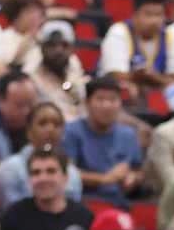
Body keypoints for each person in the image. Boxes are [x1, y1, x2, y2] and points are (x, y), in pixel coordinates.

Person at [0, 147, 93, 230]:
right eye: (36, 173)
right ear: (29, 179)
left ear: (65, 177)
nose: (43, 178)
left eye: (51, 171)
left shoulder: (84, 215)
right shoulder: (15, 214)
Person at [61, 76, 144, 206]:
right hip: (83, 202)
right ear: (87, 104)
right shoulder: (71, 132)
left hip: (120, 203)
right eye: (100, 99)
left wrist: (132, 177)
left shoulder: (129, 135)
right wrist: (105, 179)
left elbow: (140, 171)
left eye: (113, 99)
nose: (107, 106)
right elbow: (65, 172)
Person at [0, 103, 86, 210]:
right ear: (29, 131)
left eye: (56, 124)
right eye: (42, 123)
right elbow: (10, 214)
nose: (50, 129)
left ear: (63, 133)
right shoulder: (9, 169)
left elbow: (72, 213)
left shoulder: (72, 173)